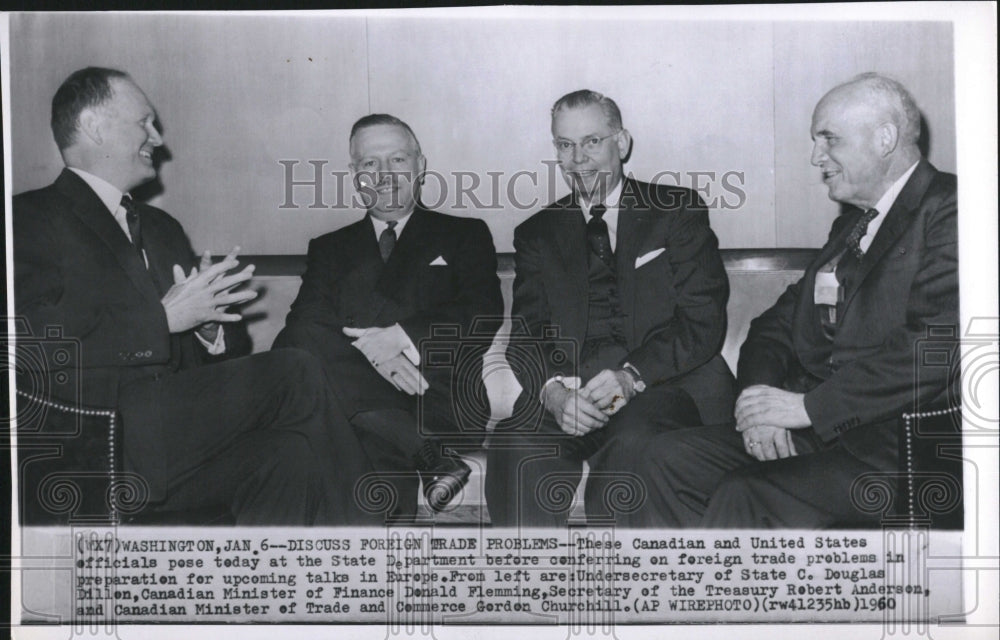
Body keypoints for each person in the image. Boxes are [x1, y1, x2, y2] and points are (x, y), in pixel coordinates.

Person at [14, 67, 375, 525]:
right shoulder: (27, 220)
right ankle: (369, 551)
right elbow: (28, 346)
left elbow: (214, 369)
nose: (158, 138)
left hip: (169, 440)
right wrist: (161, 319)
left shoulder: (163, 230)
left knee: (288, 454)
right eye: (143, 122)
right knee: (296, 369)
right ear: (94, 126)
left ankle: (272, 593)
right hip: (99, 438)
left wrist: (209, 330)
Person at [621, 73, 958, 528]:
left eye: (829, 139)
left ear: (885, 139)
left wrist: (806, 409)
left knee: (746, 494)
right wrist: (761, 408)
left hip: (899, 452)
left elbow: (936, 347)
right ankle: (681, 597)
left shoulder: (953, 209)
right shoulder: (850, 229)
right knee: (662, 458)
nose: (815, 156)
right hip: (819, 434)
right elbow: (771, 328)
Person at [486, 89, 736, 527]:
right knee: (515, 445)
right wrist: (555, 393)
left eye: (592, 142)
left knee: (635, 449)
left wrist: (630, 376)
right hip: (571, 396)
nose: (578, 159)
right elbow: (526, 334)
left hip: (659, 389)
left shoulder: (677, 211)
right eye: (565, 145)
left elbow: (702, 321)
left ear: (622, 143)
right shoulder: (536, 233)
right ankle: (529, 587)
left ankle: (625, 588)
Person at [274, 114, 503, 521]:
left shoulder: (464, 234)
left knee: (355, 435)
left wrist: (399, 337)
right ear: (354, 174)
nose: (383, 174)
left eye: (397, 160)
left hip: (436, 398)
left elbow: (481, 312)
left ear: (420, 165)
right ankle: (426, 459)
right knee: (352, 428)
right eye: (369, 164)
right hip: (354, 407)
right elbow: (301, 330)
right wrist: (376, 357)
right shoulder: (329, 248)